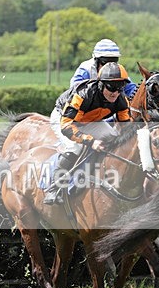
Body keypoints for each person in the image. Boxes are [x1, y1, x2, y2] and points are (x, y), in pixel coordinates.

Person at [44, 62, 132, 204]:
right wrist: (91, 141)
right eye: (112, 87)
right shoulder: (83, 95)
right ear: (101, 84)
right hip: (63, 119)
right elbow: (66, 126)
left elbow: (126, 128)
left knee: (113, 138)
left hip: (90, 121)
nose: (115, 92)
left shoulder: (121, 100)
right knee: (75, 147)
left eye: (120, 87)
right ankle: (54, 188)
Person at [71, 39, 138, 99]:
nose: (109, 68)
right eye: (105, 63)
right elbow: (74, 92)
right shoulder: (85, 70)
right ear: (96, 61)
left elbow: (132, 90)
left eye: (113, 62)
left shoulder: (118, 70)